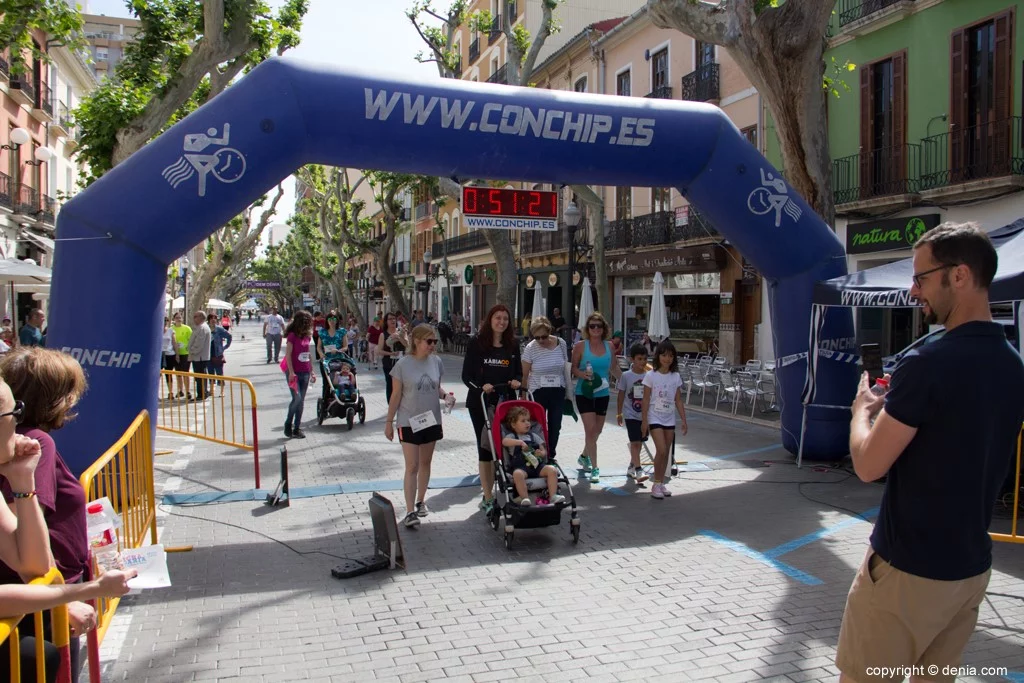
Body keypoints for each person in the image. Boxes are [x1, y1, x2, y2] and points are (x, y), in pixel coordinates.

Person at [836, 223, 1024, 682]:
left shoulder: (927, 364)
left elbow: (867, 464)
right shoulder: (1013, 363)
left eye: (921, 277)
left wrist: (862, 412)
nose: (913, 289)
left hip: (908, 572)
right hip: (969, 570)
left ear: (958, 275)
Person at [0, 347, 112, 682]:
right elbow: (33, 565)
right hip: (37, 601)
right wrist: (62, 602)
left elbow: (29, 559)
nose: (16, 421)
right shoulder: (39, 444)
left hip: (40, 595)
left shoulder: (24, 457)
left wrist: (22, 482)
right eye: (10, 413)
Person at [384, 324, 452, 528]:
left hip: (431, 418)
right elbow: (396, 395)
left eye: (435, 342)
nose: (432, 345)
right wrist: (389, 422)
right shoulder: (403, 365)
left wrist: (446, 395)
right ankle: (409, 511)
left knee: (425, 463)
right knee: (411, 465)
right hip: (408, 420)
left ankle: (421, 501)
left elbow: (436, 386)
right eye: (428, 341)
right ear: (416, 341)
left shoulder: (436, 362)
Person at [461, 304, 522, 514]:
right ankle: (487, 496)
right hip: (480, 403)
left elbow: (519, 374)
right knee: (485, 449)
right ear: (490, 319)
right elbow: (466, 377)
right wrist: (480, 388)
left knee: (508, 446)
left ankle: (514, 489)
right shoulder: (476, 343)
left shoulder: (513, 345)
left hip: (506, 403)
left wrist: (516, 381)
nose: (502, 322)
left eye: (505, 319)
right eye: (498, 318)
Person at [571, 312, 619, 484]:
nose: (596, 329)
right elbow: (573, 368)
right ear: (587, 328)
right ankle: (595, 467)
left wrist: (628, 381)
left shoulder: (610, 346)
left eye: (599, 326)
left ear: (603, 328)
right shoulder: (580, 346)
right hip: (584, 392)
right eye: (592, 326)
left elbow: (614, 368)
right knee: (590, 430)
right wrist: (581, 374)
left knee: (597, 431)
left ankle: (584, 455)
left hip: (603, 392)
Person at [640, 340, 688, 500]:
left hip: (669, 418)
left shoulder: (675, 377)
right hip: (655, 417)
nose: (667, 359)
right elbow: (645, 400)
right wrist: (644, 421)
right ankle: (656, 482)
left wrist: (684, 420)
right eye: (664, 355)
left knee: (666, 452)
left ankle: (660, 483)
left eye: (670, 356)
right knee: (660, 449)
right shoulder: (650, 376)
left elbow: (678, 400)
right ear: (658, 356)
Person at [520, 316, 567, 459]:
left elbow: (565, 366)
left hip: (557, 390)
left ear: (550, 332)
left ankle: (551, 454)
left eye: (544, 337)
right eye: (537, 337)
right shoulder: (530, 348)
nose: (540, 340)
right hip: (538, 391)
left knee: (555, 425)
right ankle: (540, 454)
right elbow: (525, 375)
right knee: (538, 426)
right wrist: (523, 397)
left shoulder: (561, 343)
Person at [501, 406, 564, 507]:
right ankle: (524, 498)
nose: (527, 423)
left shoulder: (533, 436)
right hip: (522, 467)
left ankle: (553, 495)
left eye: (528, 420)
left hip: (537, 466)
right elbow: (504, 442)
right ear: (513, 424)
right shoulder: (512, 436)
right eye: (523, 421)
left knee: (552, 469)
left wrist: (541, 453)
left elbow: (543, 449)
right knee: (517, 474)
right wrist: (520, 442)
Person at [616, 343, 651, 485]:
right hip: (630, 414)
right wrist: (619, 413)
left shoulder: (649, 376)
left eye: (644, 359)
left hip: (645, 416)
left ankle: (632, 466)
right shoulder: (626, 376)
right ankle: (638, 469)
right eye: (639, 359)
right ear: (632, 359)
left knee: (640, 441)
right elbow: (621, 395)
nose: (642, 362)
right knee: (635, 442)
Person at [282, 310, 316, 439]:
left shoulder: (308, 336)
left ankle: (297, 428)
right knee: (296, 398)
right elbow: (288, 355)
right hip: (294, 372)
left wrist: (312, 370)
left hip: (305, 370)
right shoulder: (292, 336)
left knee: (301, 401)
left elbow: (308, 354)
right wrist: (291, 372)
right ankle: (288, 423)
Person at [377, 313, 407, 404]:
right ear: (386, 322)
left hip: (402, 363)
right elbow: (379, 351)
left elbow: (407, 345)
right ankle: (391, 405)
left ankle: (401, 405)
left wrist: (399, 337)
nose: (393, 320)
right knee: (390, 385)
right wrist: (391, 353)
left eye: (394, 318)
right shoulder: (383, 334)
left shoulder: (401, 331)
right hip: (388, 363)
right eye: (390, 319)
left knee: (402, 385)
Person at [187, 310, 212, 401]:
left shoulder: (202, 328)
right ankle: (203, 392)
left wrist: (191, 350)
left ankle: (201, 394)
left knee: (200, 376)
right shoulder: (200, 327)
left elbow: (199, 344)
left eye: (195, 317)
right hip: (199, 357)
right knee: (200, 376)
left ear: (201, 317)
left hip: (200, 357)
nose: (194, 319)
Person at [207, 314, 233, 395]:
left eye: (215, 318)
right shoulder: (206, 329)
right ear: (208, 320)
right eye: (211, 318)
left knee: (220, 373)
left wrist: (225, 347)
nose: (213, 320)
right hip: (208, 354)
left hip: (218, 354)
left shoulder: (219, 329)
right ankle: (211, 390)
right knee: (210, 373)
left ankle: (222, 391)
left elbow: (229, 336)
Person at [171, 312, 192, 399]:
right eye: (177, 317)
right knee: (178, 373)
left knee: (185, 373)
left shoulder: (187, 328)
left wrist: (189, 349)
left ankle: (187, 391)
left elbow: (191, 340)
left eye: (180, 317)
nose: (178, 319)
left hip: (185, 354)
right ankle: (180, 390)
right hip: (175, 354)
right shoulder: (171, 329)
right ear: (174, 319)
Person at [161, 316, 178, 400]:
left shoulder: (171, 330)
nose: (165, 322)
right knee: (157, 375)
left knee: (169, 374)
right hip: (159, 354)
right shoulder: (156, 330)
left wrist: (177, 354)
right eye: (163, 320)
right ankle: (154, 394)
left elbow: (174, 343)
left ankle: (170, 392)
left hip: (169, 354)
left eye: (166, 320)